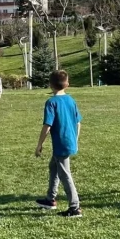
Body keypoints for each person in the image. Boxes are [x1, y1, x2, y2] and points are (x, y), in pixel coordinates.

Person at [35, 70, 83, 218]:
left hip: (61, 144)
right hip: (70, 141)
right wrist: (75, 138)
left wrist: (39, 144)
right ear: (67, 84)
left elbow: (47, 126)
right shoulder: (71, 100)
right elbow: (78, 122)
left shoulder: (51, 102)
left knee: (65, 175)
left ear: (50, 85)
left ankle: (75, 207)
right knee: (53, 167)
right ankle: (50, 199)